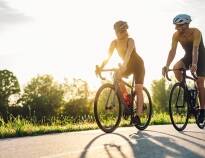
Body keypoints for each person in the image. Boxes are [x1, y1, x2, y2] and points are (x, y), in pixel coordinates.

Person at [96, 20, 145, 125]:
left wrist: (123, 66)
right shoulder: (114, 43)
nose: (119, 34)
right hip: (126, 65)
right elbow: (107, 57)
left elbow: (127, 55)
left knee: (138, 89)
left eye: (121, 31)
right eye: (117, 32)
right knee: (116, 76)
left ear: (125, 31)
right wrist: (101, 67)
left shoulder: (130, 40)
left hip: (138, 66)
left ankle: (138, 116)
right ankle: (127, 99)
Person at [162, 14, 205, 124]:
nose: (178, 28)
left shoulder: (196, 32)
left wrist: (194, 64)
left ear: (187, 24)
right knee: (176, 68)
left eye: (180, 25)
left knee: (200, 82)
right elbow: (172, 51)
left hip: (200, 57)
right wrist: (167, 65)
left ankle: (202, 109)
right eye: (177, 26)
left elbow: (195, 49)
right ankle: (187, 90)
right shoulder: (176, 35)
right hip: (188, 56)